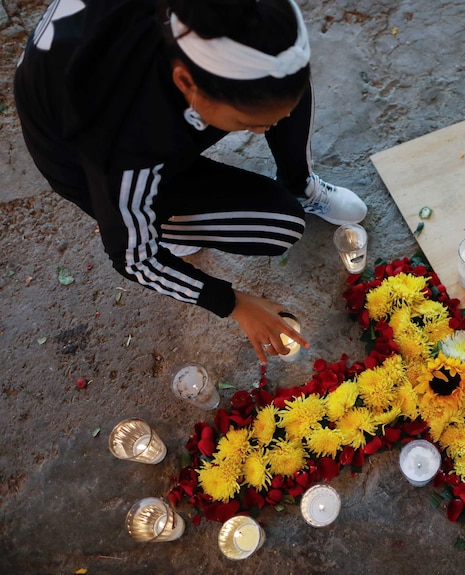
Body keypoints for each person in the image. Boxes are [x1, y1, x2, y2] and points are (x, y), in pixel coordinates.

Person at [14, 0, 367, 364]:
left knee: (279, 80)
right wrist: (233, 303)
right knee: (279, 227)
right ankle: (167, 226)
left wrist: (270, 107)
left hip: (144, 84)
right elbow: (134, 258)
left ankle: (299, 183)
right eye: (249, 122)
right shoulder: (126, 143)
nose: (265, 130)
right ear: (186, 82)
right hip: (83, 159)